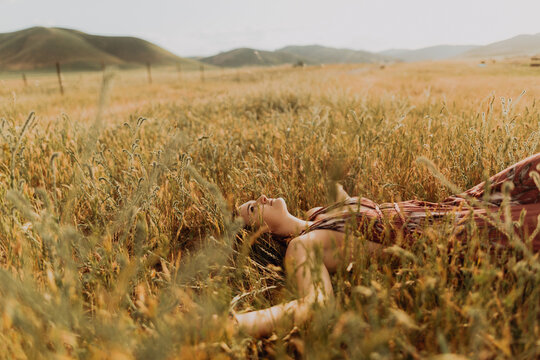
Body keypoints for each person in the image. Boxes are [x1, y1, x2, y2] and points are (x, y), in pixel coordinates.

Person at [234, 153, 540, 337]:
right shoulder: (303, 247)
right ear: (260, 231)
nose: (261, 198)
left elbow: (344, 199)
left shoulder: (319, 215)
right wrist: (234, 326)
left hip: (454, 206)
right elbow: (315, 305)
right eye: (253, 208)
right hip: (451, 232)